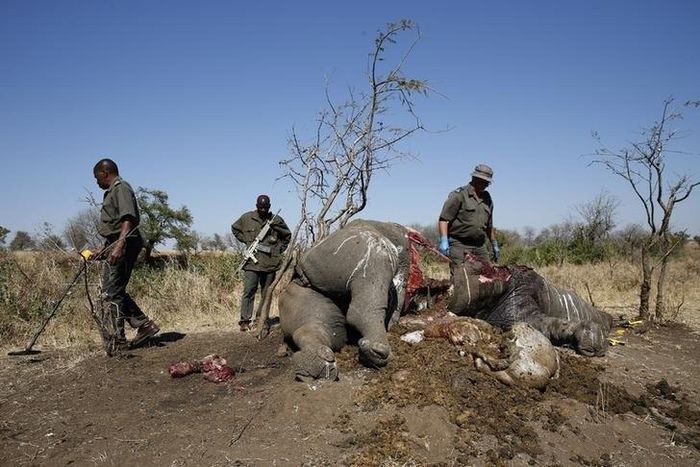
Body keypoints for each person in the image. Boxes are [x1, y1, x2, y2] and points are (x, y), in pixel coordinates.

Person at [93, 158, 160, 351]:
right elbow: (114, 227)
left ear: (104, 173)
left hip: (126, 243)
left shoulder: (121, 188)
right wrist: (104, 249)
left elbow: (128, 219)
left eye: (96, 177)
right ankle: (143, 325)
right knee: (114, 289)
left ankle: (118, 340)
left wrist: (119, 245)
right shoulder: (112, 191)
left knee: (112, 291)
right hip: (118, 243)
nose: (96, 182)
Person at [231, 195, 291, 332]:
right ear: (256, 205)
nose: (263, 209)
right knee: (249, 291)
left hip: (270, 263)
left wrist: (278, 250)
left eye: (265, 207)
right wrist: (246, 241)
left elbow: (287, 236)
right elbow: (235, 229)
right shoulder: (246, 218)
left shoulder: (276, 220)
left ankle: (261, 319)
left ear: (269, 206)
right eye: (260, 207)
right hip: (252, 263)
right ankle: (245, 321)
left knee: (266, 292)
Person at [438, 163, 500, 272]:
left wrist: (494, 243)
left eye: (487, 182)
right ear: (474, 178)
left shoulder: (487, 198)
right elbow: (444, 219)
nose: (485, 184)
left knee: (487, 274)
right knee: (461, 276)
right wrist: (444, 240)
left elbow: (489, 226)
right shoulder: (459, 195)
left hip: (479, 245)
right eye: (483, 181)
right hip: (459, 244)